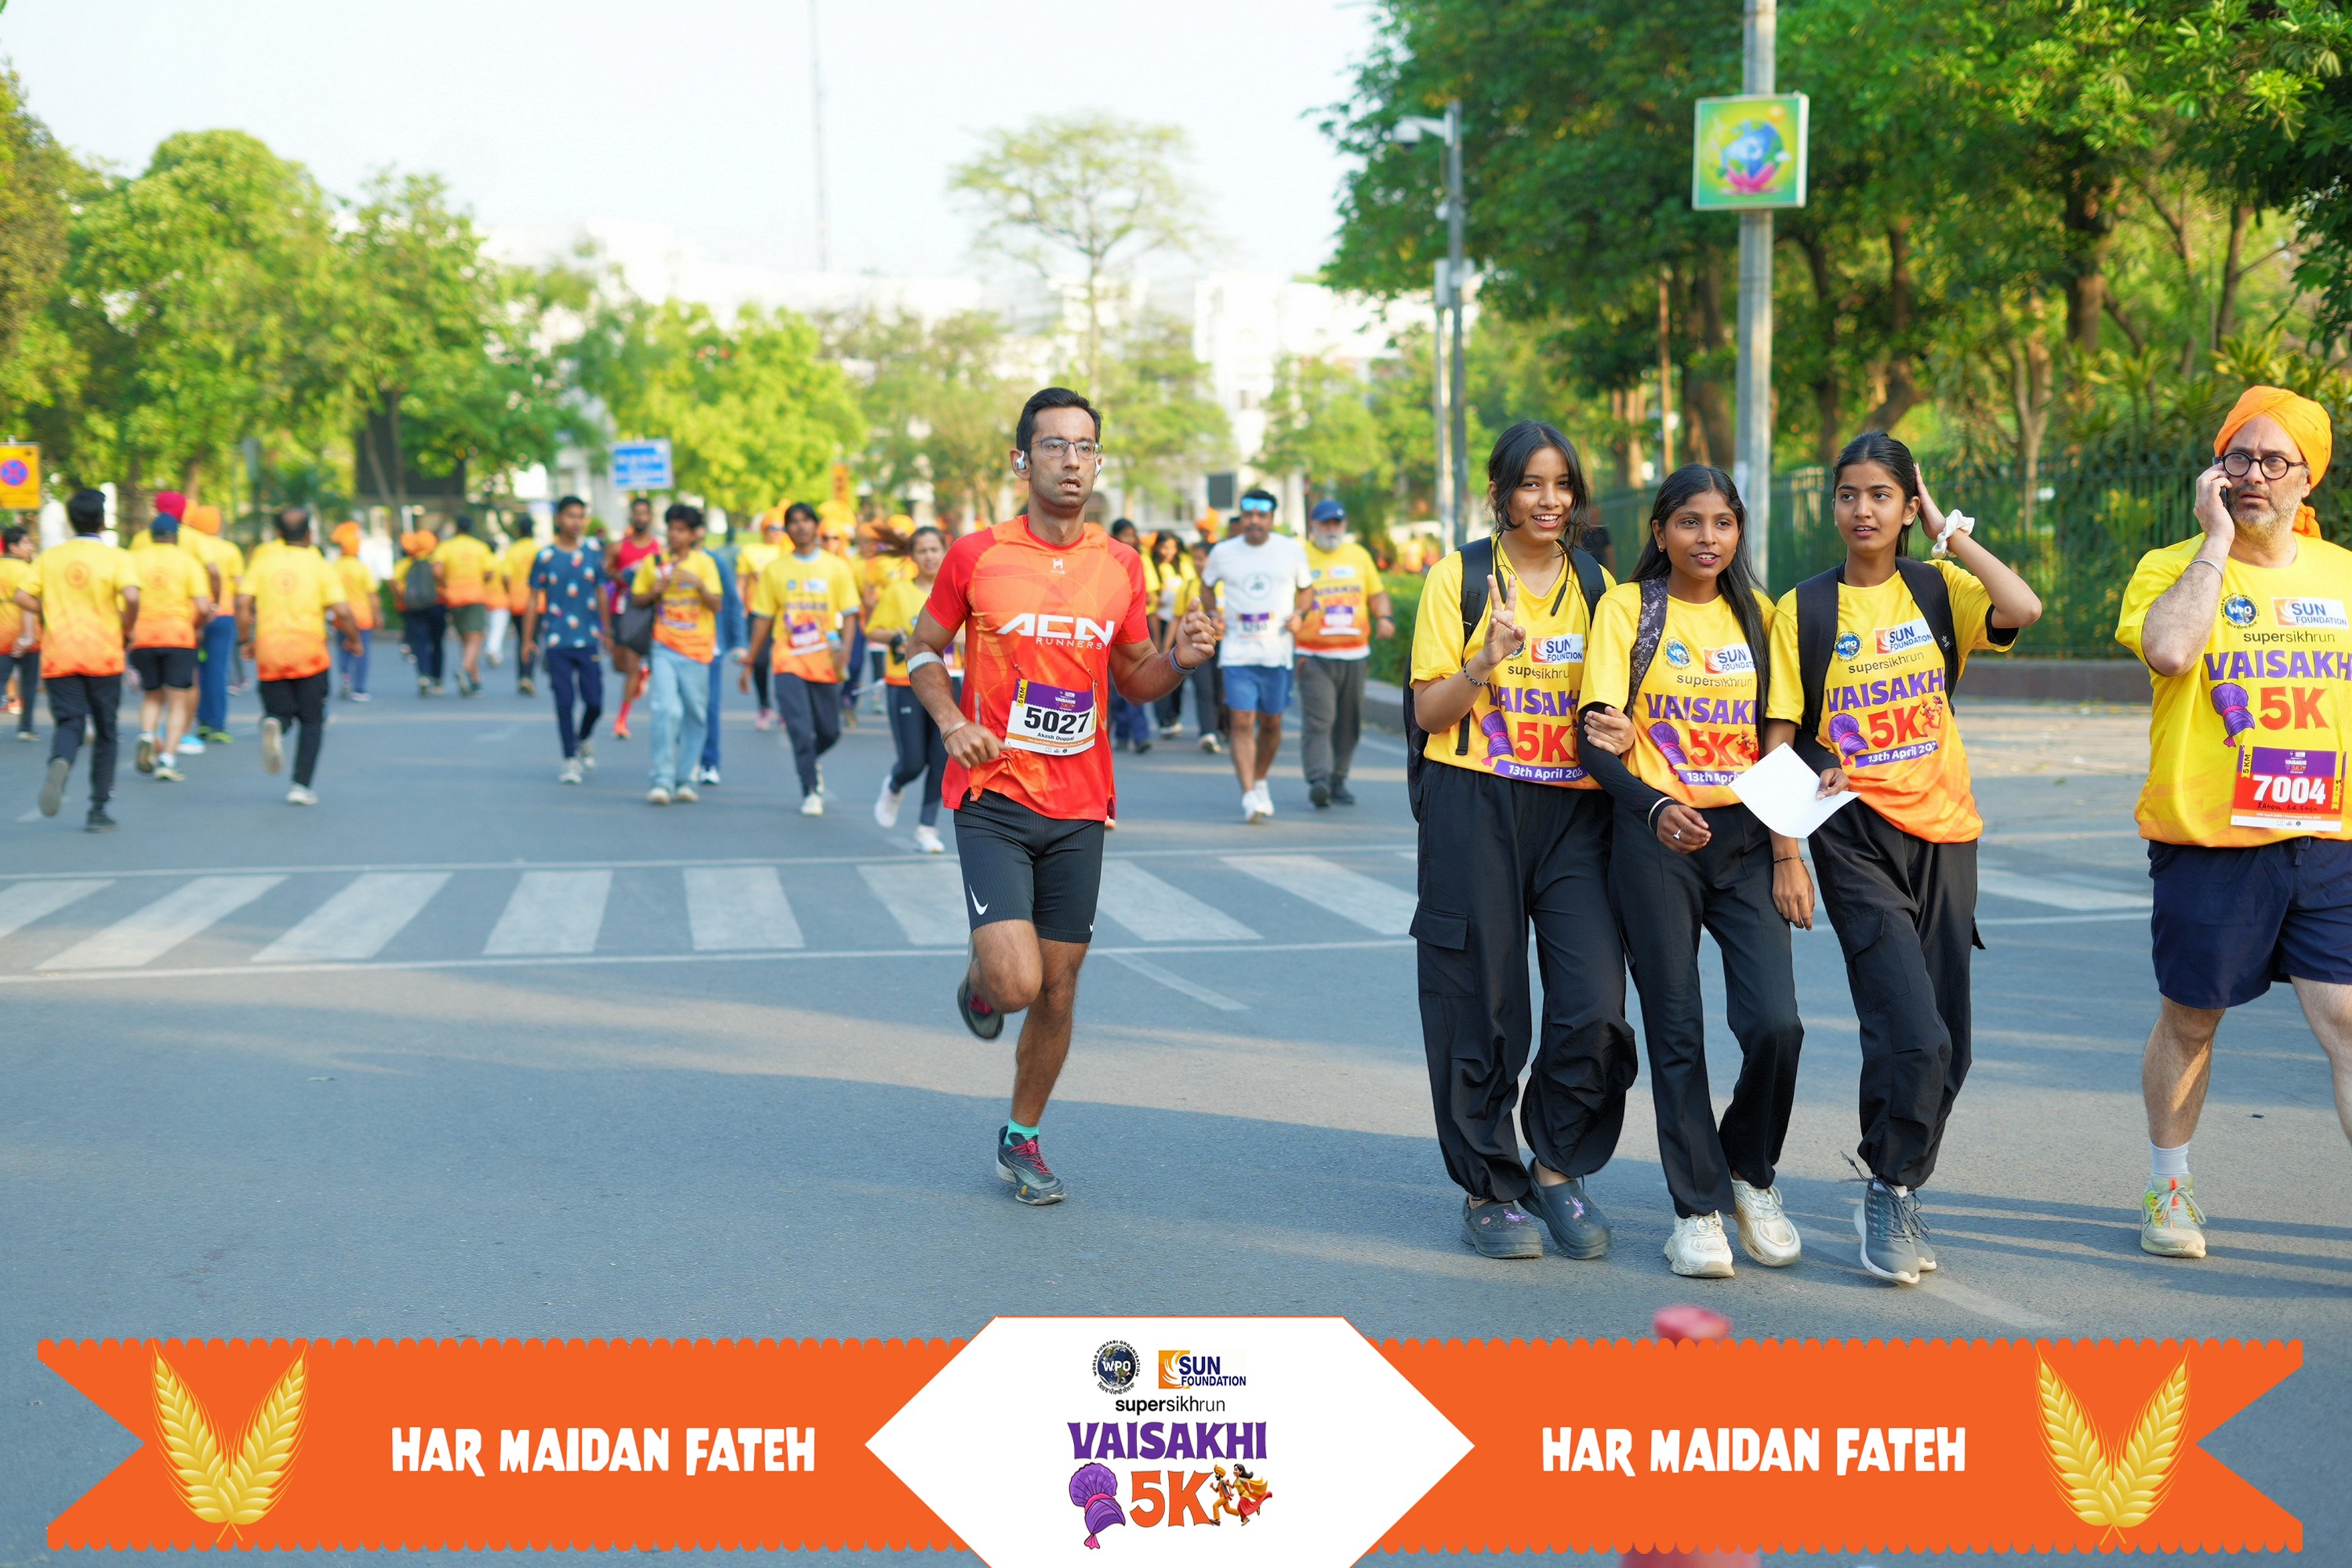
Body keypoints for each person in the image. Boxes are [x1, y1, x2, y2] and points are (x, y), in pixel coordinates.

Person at [903, 387, 1220, 1205]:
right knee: (1016, 984)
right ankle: (983, 979)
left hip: (1080, 801)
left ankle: (1022, 1137)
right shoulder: (976, 555)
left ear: (1098, 462)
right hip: (994, 792)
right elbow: (922, 650)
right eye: (1054, 446)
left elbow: (1136, 676)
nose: (1071, 461)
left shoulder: (1120, 565)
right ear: (1022, 460)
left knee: (1060, 986)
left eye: (1085, 447)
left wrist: (1181, 660)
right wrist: (950, 722)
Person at [1762, 431, 2041, 1285]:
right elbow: (1779, 735)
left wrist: (1949, 533)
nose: (1863, 510)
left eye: (1882, 494)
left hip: (1948, 832)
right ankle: (1889, 1188)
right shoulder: (1805, 609)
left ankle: (1899, 1179)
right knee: (1911, 1031)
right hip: (1852, 832)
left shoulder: (1938, 587)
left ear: (1908, 505)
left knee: (1948, 1045)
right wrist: (1787, 852)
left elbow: (2023, 607)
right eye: (1849, 494)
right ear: (1833, 505)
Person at [2115, 384, 2352, 1261]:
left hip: (2327, 837)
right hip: (2209, 839)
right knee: (2193, 1021)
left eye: (2275, 460)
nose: (2254, 474)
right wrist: (2215, 542)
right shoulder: (2170, 565)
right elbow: (2172, 649)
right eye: (2238, 457)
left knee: (2348, 1021)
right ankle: (2169, 1184)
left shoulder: (2342, 574)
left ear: (2307, 477)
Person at [1409, 421, 1636, 1261]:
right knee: (1483, 1002)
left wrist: (1624, 729)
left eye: (1562, 484)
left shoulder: (1600, 586)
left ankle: (1554, 1167)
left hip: (1575, 813)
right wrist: (1486, 660)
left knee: (1594, 1004)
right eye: (1531, 484)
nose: (1549, 500)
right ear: (1499, 494)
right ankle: (1488, 1187)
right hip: (1475, 804)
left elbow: (1617, 702)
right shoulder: (1459, 578)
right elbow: (1429, 711)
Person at [1578, 465, 1808, 1279]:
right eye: (1689, 522)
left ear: (1739, 530)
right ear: (1661, 531)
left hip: (1744, 836)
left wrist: (1788, 851)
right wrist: (1652, 807)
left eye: (1722, 522)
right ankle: (1696, 1210)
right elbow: (1594, 738)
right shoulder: (1627, 609)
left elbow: (1783, 739)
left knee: (1777, 1023)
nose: (1707, 538)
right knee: (1676, 1026)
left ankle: (1749, 1171)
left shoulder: (1762, 616)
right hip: (1657, 837)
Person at [16, 489, 139, 829]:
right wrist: (127, 627)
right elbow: (131, 595)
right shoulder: (117, 558)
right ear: (103, 521)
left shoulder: (50, 558)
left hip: (60, 655)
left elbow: (21, 595)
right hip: (103, 655)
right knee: (106, 731)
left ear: (71, 522)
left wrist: (48, 612)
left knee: (70, 723)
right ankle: (98, 808)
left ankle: (61, 760)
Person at [1201, 488, 1310, 822]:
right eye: (1249, 515)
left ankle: (1260, 779)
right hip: (1237, 652)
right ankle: (1249, 794)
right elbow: (1207, 585)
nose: (1254, 521)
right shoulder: (1223, 552)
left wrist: (1300, 614)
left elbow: (1306, 590)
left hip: (1277, 653)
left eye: (1262, 516)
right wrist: (1213, 613)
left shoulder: (1291, 550)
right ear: (1241, 516)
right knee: (1241, 721)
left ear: (1272, 518)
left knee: (1272, 723)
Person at [239, 508, 360, 805]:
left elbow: (243, 604)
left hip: (270, 649)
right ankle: (300, 786)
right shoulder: (319, 565)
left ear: (278, 534)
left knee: (279, 711)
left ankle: (276, 724)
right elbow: (342, 611)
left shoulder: (263, 561)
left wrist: (245, 640)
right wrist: (354, 639)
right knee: (312, 720)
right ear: (310, 534)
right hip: (310, 653)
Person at [747, 501, 860, 816]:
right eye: (794, 522)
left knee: (830, 731)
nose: (800, 526)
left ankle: (809, 759)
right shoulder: (775, 569)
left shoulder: (836, 567)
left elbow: (851, 614)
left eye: (806, 520)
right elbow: (763, 618)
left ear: (816, 525)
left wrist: (846, 652)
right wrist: (750, 660)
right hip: (788, 659)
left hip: (826, 660)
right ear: (787, 529)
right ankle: (810, 789)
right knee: (799, 727)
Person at [1297, 498, 1394, 808]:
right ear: (1313, 526)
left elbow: (1376, 594)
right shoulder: (1298, 555)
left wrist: (1385, 618)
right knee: (1320, 719)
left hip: (1354, 654)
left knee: (1349, 723)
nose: (1331, 529)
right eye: (1325, 523)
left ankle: (1338, 779)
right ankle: (1319, 779)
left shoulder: (1358, 555)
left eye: (1336, 523)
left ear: (1344, 526)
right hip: (1313, 654)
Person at [869, 524, 956, 854]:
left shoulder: (958, 589)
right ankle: (894, 785)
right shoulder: (897, 592)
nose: (929, 556)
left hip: (951, 680)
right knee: (913, 761)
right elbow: (873, 630)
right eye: (922, 551)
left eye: (935, 549)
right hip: (907, 682)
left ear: (944, 551)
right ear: (912, 556)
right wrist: (897, 636)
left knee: (941, 758)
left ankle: (926, 828)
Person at [632, 503, 724, 805]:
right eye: (671, 528)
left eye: (681, 530)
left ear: (694, 534)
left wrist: (699, 586)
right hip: (664, 645)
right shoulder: (655, 562)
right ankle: (662, 778)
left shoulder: (705, 564)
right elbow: (637, 598)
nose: (674, 535)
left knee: (695, 713)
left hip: (697, 649)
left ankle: (686, 778)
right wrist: (656, 590)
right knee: (666, 709)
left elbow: (718, 604)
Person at [524, 495, 611, 784]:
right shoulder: (545, 557)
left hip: (588, 638)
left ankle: (583, 737)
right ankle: (569, 758)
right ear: (559, 519)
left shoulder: (593, 552)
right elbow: (533, 598)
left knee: (595, 702)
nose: (577, 522)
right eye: (571, 516)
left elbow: (601, 591)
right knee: (564, 701)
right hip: (557, 640)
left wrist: (607, 631)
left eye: (581, 516)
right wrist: (528, 639)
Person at [129, 510, 215, 783]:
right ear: (175, 536)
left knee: (152, 696)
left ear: (151, 536)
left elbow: (126, 600)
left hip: (143, 636)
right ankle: (167, 758)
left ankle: (147, 734)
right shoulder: (188, 561)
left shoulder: (134, 560)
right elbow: (203, 607)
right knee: (177, 700)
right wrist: (197, 625)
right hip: (179, 636)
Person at [692, 524, 745, 788]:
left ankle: (709, 762)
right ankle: (687, 758)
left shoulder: (716, 563)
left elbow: (731, 602)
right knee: (677, 708)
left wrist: (738, 642)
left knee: (709, 705)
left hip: (709, 646)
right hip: (673, 647)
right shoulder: (666, 563)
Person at [607, 496, 663, 739]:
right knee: (619, 664)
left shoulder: (659, 549)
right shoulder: (618, 547)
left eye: (644, 513)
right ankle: (641, 675)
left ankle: (622, 720)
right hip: (623, 609)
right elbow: (606, 573)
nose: (640, 517)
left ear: (650, 516)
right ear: (631, 516)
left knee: (631, 664)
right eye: (636, 513)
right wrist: (624, 575)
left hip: (649, 610)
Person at [431, 514, 497, 696]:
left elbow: (437, 570)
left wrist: (446, 583)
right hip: (475, 596)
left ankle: (475, 682)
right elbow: (489, 572)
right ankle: (465, 668)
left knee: (466, 639)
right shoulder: (480, 547)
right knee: (476, 638)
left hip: (453, 597)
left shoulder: (446, 547)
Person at [1105, 521, 1156, 753]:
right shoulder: (1104, 558)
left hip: (1135, 627)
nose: (1130, 539)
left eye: (1133, 535)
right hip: (1108, 630)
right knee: (1115, 690)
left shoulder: (1138, 559)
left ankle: (1141, 736)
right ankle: (1122, 733)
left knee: (1135, 681)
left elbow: (1150, 593)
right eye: (1125, 535)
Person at [735, 511, 788, 730]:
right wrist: (739, 608)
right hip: (757, 612)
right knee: (760, 661)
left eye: (781, 529)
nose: (777, 533)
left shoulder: (789, 551)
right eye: (772, 528)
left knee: (783, 662)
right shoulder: (751, 551)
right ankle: (765, 705)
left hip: (784, 615)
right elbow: (741, 583)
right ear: (764, 530)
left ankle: (785, 709)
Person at [1145, 530, 1195, 736]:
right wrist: (1157, 639)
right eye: (1164, 547)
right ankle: (1164, 719)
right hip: (1159, 623)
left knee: (1179, 671)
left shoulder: (1184, 564)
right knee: (1160, 670)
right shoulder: (1151, 565)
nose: (1168, 552)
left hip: (1181, 625)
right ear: (1157, 547)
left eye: (1172, 548)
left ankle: (1174, 716)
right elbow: (1151, 602)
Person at [1, 525, 41, 741]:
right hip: (27, 636)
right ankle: (25, 728)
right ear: (13, 547)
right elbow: (29, 605)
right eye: (26, 543)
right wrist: (28, 635)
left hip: (1, 638)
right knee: (29, 685)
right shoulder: (27, 571)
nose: (31, 547)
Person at [332, 522, 379, 702]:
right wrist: (377, 615)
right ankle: (359, 689)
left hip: (341, 617)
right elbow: (372, 595)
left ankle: (345, 675)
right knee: (361, 651)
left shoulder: (334, 567)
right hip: (362, 618)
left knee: (344, 648)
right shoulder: (362, 568)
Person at [398, 528, 445, 695]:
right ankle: (437, 679)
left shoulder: (406, 563)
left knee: (420, 642)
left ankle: (423, 675)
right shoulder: (436, 559)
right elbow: (441, 577)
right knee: (437, 643)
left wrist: (403, 600)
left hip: (414, 607)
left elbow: (395, 582)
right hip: (436, 605)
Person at [503, 522, 545, 695]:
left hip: (518, 602)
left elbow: (506, 577)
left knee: (522, 639)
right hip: (538, 603)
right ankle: (528, 675)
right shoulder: (540, 550)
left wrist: (511, 592)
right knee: (533, 638)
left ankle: (523, 676)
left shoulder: (513, 550)